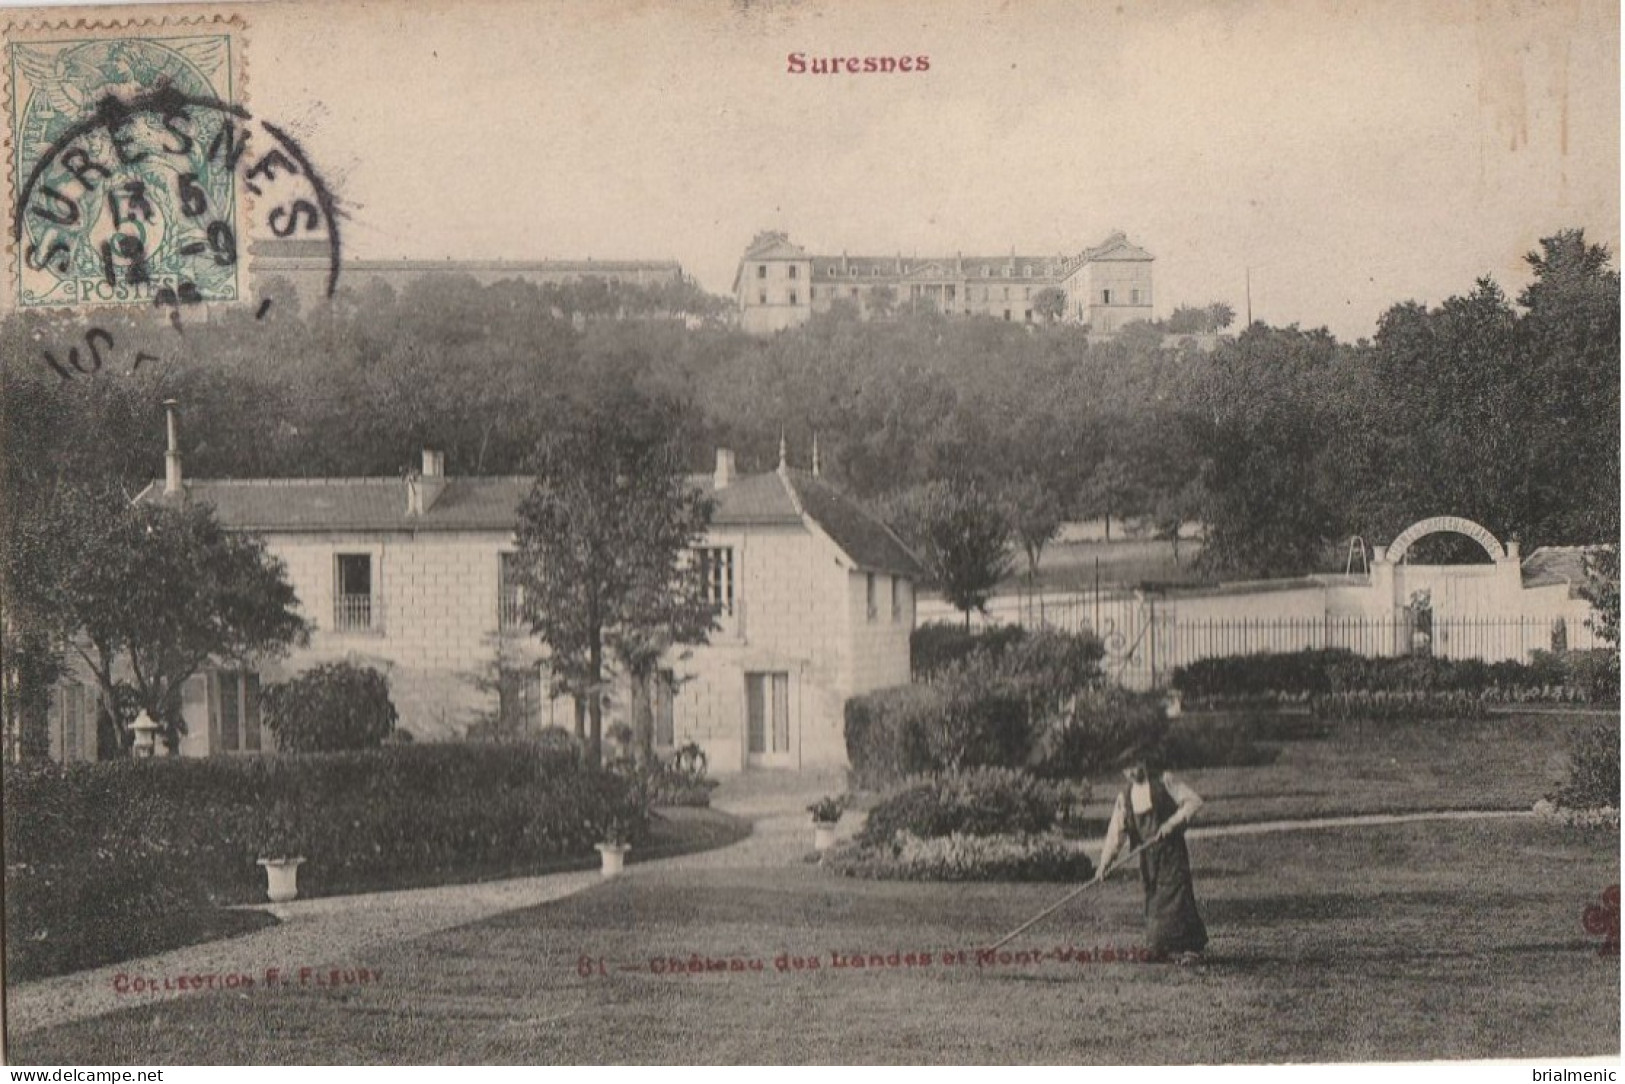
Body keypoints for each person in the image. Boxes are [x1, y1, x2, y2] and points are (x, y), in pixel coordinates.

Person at [1095, 753, 1208, 964]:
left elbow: (1194, 802)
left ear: (1143, 762)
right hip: (1148, 858)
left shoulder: (1164, 781)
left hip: (1171, 853)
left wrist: (1171, 824)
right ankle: (1160, 947)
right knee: (1154, 901)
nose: (1131, 773)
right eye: (1126, 770)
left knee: (1178, 897)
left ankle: (1191, 949)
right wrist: (1105, 863)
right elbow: (1116, 832)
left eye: (1134, 767)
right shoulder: (1125, 797)